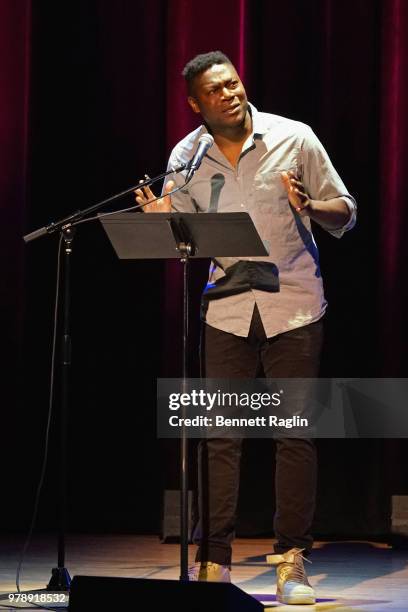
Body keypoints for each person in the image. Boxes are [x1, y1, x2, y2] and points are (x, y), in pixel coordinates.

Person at [135, 51, 356, 605]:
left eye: (233, 84)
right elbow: (181, 237)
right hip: (226, 310)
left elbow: (346, 211)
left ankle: (292, 562)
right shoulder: (186, 156)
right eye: (216, 91)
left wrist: (312, 205)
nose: (230, 94)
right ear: (195, 103)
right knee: (220, 438)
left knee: (294, 436)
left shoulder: (295, 138)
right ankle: (215, 560)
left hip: (295, 306)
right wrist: (165, 223)